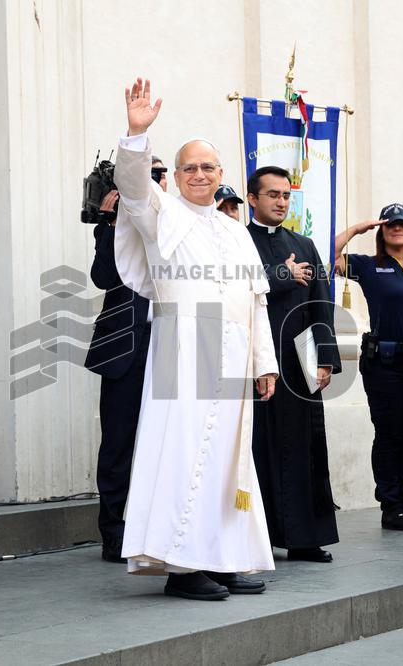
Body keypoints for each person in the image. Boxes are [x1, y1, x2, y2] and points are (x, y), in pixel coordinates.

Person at [113, 78, 278, 600]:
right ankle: (182, 568)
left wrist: (264, 362)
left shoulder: (235, 228)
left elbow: (255, 300)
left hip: (231, 358)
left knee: (229, 460)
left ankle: (222, 559)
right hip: (182, 353)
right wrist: (137, 134)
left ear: (221, 175)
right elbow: (135, 188)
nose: (200, 175)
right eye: (190, 167)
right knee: (184, 455)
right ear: (177, 175)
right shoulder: (160, 213)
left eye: (208, 167)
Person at [246, 165, 341, 563]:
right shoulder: (237, 242)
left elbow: (321, 303)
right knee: (256, 449)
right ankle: (256, 539)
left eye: (286, 195)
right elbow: (233, 284)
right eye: (272, 195)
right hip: (254, 362)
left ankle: (304, 538)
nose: (281, 202)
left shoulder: (305, 244)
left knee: (305, 449)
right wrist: (280, 275)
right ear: (253, 199)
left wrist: (325, 359)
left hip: (299, 362)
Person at [84, 155, 167, 563]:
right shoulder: (113, 228)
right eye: (145, 176)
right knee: (119, 444)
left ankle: (158, 530)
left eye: (158, 176)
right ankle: (115, 534)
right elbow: (104, 278)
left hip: (172, 348)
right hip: (124, 350)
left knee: (166, 442)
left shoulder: (174, 221)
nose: (152, 183)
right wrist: (111, 225)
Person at [334, 204, 403, 531]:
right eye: (390, 224)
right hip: (383, 363)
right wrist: (358, 228)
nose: (396, 229)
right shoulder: (368, 265)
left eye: (402, 224)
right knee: (389, 433)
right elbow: (325, 256)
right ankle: (390, 505)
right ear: (382, 230)